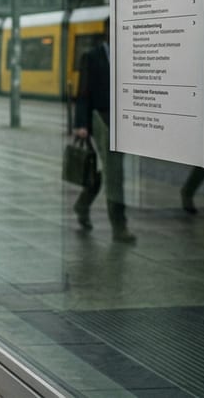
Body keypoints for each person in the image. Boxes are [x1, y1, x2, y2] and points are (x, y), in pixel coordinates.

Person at [72, 22, 136, 244]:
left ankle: (82, 204)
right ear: (108, 32)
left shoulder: (132, 55)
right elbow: (83, 92)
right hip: (101, 120)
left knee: (109, 172)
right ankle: (120, 226)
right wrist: (81, 124)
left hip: (124, 121)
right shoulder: (92, 56)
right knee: (114, 174)